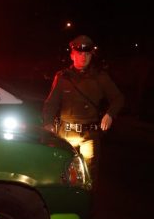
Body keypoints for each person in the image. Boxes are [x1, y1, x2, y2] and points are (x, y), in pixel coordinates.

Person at [42, 35, 124, 185]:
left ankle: (85, 205)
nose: (83, 57)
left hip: (89, 135)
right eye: (80, 54)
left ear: (91, 55)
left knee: (88, 178)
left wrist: (110, 114)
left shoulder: (100, 77)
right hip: (65, 133)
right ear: (72, 55)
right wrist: (47, 123)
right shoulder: (62, 77)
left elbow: (118, 98)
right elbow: (51, 103)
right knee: (62, 174)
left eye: (87, 54)